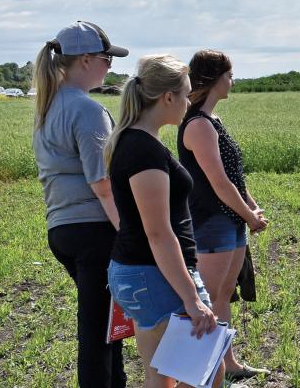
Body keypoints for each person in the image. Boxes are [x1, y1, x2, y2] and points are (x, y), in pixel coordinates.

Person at [104, 54, 223, 387]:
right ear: (167, 97)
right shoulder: (144, 151)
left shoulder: (137, 141)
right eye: (185, 94)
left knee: (161, 377)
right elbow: (158, 233)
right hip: (153, 276)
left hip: (141, 274)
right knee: (207, 373)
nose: (188, 101)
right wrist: (192, 299)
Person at [33, 21, 129, 387]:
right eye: (107, 59)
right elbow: (103, 185)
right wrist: (130, 235)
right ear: (86, 60)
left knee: (107, 324)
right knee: (98, 332)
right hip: (94, 231)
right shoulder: (87, 110)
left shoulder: (47, 106)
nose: (110, 66)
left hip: (62, 229)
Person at [178, 49, 270, 381]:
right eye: (229, 75)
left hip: (230, 219)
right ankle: (194, 374)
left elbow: (234, 177)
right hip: (211, 222)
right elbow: (218, 183)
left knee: (221, 298)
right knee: (206, 301)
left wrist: (251, 207)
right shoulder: (198, 125)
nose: (232, 81)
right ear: (215, 79)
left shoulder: (213, 121)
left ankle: (226, 364)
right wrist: (249, 216)